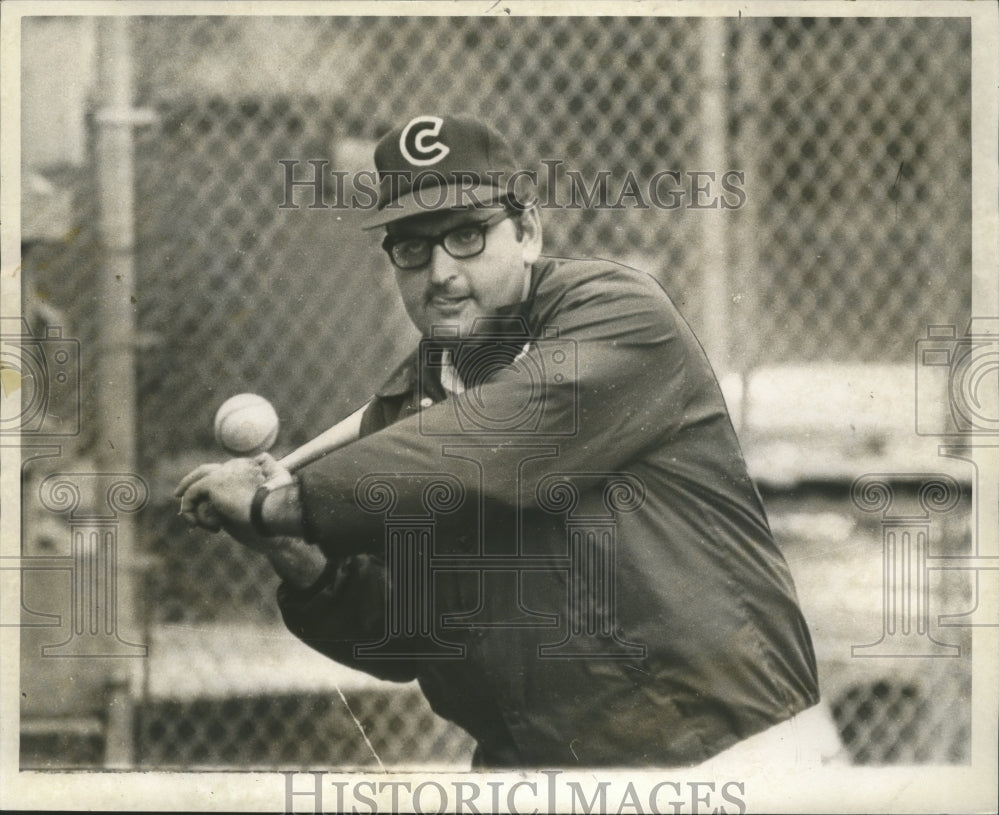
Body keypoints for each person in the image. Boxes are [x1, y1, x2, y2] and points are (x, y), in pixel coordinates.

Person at [176, 114, 829, 768]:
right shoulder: (407, 413)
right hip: (535, 771)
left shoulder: (617, 314)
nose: (441, 272)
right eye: (412, 247)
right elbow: (406, 635)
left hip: (731, 756)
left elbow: (484, 452)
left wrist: (278, 504)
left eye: (466, 234)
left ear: (527, 232)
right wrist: (290, 549)